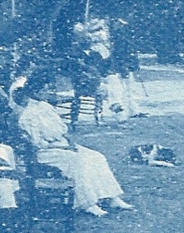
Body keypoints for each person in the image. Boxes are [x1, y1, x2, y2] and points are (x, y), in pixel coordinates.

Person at [12, 76, 133, 217]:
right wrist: (65, 148)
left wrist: (70, 144)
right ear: (36, 91)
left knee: (96, 157)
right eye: (45, 89)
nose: (49, 92)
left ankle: (112, 197)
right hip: (45, 151)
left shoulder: (46, 107)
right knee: (76, 161)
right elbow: (35, 143)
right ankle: (88, 203)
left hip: (63, 144)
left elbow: (63, 130)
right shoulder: (28, 115)